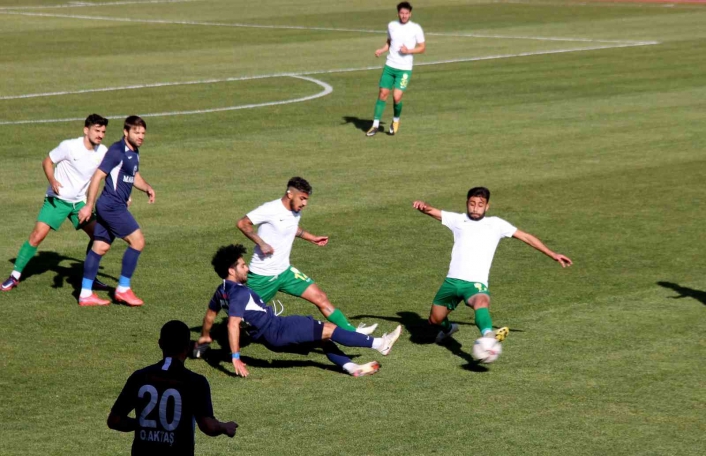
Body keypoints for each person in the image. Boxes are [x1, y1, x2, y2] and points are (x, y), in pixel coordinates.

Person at [196, 244, 402, 377]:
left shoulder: (221, 291)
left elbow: (209, 315)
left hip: (270, 339)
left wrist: (205, 337)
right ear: (231, 271)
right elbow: (232, 324)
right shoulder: (240, 294)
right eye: (242, 266)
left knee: (322, 339)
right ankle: (380, 344)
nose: (247, 268)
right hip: (279, 329)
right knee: (329, 329)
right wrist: (235, 356)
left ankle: (351, 367)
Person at [413, 187, 573, 344]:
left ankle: (488, 335)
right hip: (452, 282)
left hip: (475, 284)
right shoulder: (458, 220)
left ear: (487, 206)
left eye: (480, 205)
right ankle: (448, 329)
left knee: (481, 302)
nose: (475, 208)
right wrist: (423, 206)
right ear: (467, 203)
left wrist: (553, 254)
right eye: (472, 204)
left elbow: (526, 237)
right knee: (435, 320)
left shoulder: (496, 224)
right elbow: (431, 211)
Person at [236, 177, 377, 335]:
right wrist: (261, 243)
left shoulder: (295, 211)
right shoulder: (270, 209)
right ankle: (207, 341)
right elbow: (243, 223)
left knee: (320, 297)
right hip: (262, 276)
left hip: (285, 272)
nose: (304, 204)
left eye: (306, 199)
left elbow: (291, 228)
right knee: (238, 318)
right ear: (290, 194)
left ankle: (352, 332)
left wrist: (312, 237)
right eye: (302, 199)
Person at [2, 114, 111, 292]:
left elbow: (108, 173)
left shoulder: (103, 152)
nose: (100, 134)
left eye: (103, 132)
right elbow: (47, 161)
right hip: (58, 201)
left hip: (80, 205)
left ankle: (90, 277)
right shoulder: (69, 146)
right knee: (37, 236)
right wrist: (52, 180)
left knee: (99, 236)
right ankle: (15, 276)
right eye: (96, 130)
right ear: (86, 130)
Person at [108, 320, 237, 456]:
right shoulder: (196, 382)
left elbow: (114, 421)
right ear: (187, 348)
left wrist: (143, 425)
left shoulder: (139, 377)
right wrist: (224, 427)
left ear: (160, 344)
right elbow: (208, 426)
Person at [76, 115, 156, 307]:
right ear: (125, 132)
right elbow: (97, 177)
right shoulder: (116, 151)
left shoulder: (134, 151)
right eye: (136, 132)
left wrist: (146, 187)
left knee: (100, 247)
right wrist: (88, 205)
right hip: (111, 205)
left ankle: (85, 294)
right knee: (138, 241)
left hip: (112, 205)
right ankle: (123, 289)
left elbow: (133, 175)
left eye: (143, 133)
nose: (140, 136)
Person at [366, 2, 425, 137]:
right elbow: (389, 42)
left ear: (410, 14)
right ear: (398, 13)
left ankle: (396, 120)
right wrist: (381, 50)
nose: (404, 16)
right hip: (390, 66)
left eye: (406, 13)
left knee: (397, 97)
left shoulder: (416, 28)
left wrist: (409, 50)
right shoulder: (391, 26)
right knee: (382, 93)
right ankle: (375, 125)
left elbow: (422, 48)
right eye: (401, 13)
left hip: (404, 69)